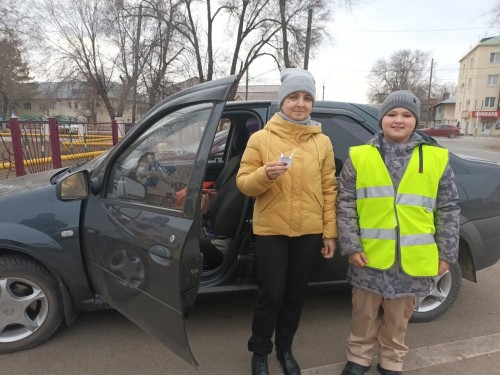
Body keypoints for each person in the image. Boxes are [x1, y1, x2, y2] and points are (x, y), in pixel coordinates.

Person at [337, 90, 460, 375]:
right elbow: (345, 203)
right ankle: (358, 358)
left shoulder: (436, 158)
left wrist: (446, 252)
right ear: (381, 119)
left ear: (416, 121)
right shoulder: (359, 157)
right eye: (392, 114)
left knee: (398, 317)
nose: (398, 120)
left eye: (406, 115)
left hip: (412, 258)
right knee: (363, 314)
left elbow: (449, 208)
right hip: (369, 256)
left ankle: (392, 360)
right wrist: (351, 245)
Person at [236, 68, 338, 375]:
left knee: (296, 294)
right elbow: (243, 183)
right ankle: (260, 352)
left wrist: (329, 234)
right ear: (282, 101)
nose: (300, 103)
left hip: (309, 231)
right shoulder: (261, 139)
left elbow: (329, 189)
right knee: (272, 294)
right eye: (294, 96)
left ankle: (285, 348)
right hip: (272, 230)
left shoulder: (322, 143)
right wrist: (264, 174)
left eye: (307, 98)